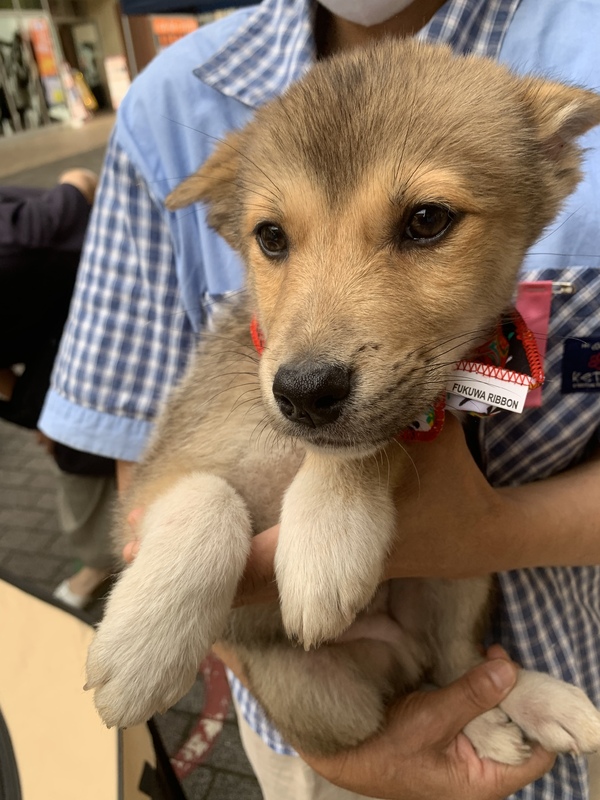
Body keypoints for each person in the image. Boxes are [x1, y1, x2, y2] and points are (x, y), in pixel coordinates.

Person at [39, 1, 600, 798]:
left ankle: (473, 680)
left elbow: (442, 517)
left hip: (535, 660)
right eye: (274, 237)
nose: (313, 349)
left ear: (554, 159)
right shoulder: (170, 101)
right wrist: (195, 552)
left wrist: (479, 534)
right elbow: (147, 476)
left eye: (425, 221)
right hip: (311, 730)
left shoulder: (565, 56)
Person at [0, 169, 117, 608]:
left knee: (81, 447)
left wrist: (57, 419)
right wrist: (40, 416)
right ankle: (104, 557)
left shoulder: (19, 239)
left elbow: (80, 180)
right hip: (47, 333)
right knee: (70, 444)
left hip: (98, 308)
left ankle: (107, 560)